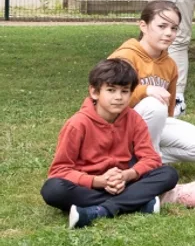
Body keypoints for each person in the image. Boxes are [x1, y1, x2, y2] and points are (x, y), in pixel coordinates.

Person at [41, 59, 180, 229]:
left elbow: (151, 159)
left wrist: (127, 175)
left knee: (168, 174)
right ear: (94, 92)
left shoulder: (134, 119)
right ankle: (136, 202)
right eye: (111, 90)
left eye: (125, 91)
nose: (118, 97)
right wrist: (98, 181)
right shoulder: (77, 124)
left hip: (123, 182)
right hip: (88, 185)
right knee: (53, 189)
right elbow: (59, 170)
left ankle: (100, 211)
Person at [108, 0, 195, 164]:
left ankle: (139, 158)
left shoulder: (170, 64)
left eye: (174, 28)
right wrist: (145, 90)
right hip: (116, 127)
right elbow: (107, 100)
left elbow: (168, 110)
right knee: (154, 103)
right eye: (162, 26)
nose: (168, 33)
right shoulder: (124, 57)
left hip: (149, 126)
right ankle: (148, 163)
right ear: (143, 26)